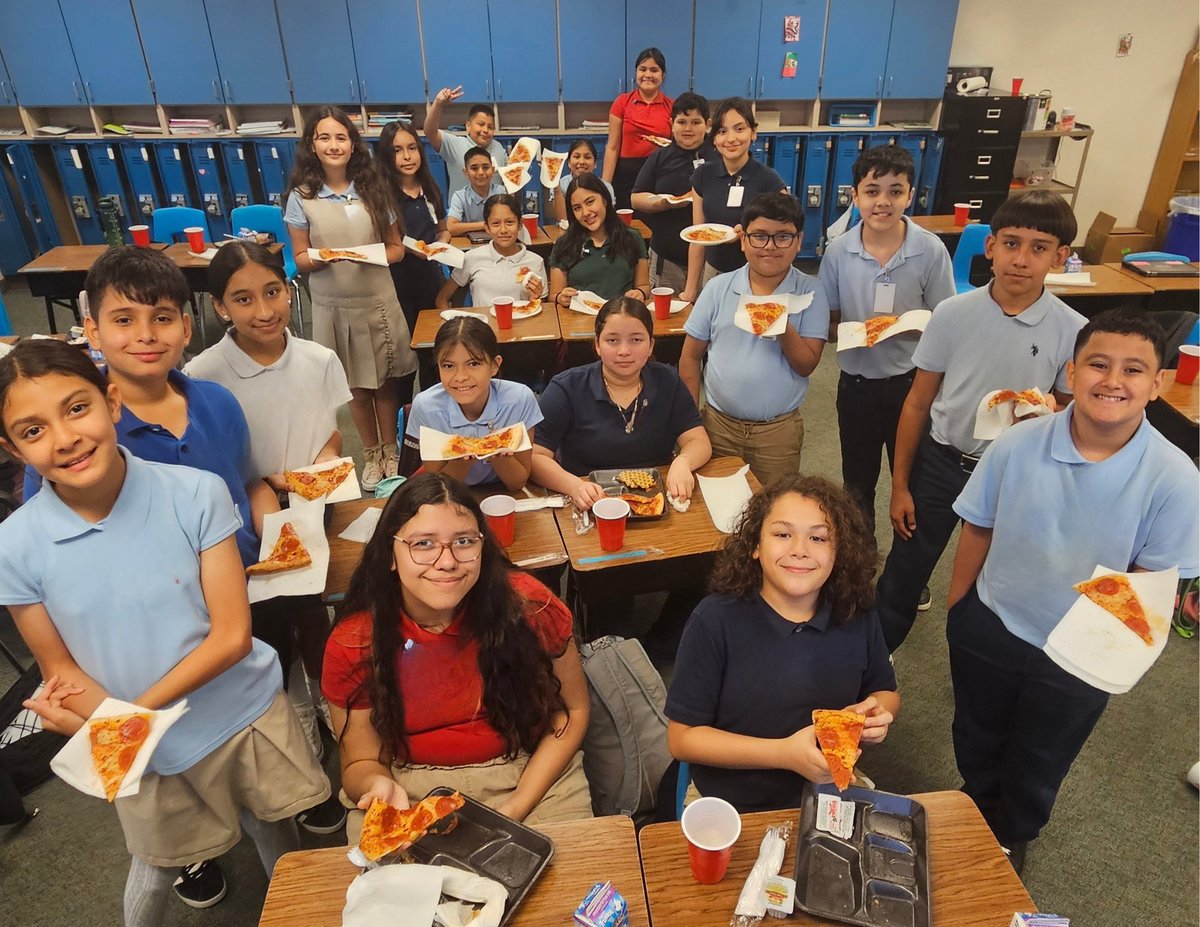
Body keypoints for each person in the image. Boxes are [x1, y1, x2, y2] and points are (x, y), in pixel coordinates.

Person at [37, 246, 343, 905]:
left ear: (186, 324)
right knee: (168, 778)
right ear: (91, 330)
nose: (145, 335)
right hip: (158, 635)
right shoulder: (87, 433)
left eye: (162, 317)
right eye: (123, 320)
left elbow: (247, 483)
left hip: (246, 593)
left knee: (257, 728)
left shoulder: (216, 403)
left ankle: (275, 816)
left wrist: (280, 538)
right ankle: (192, 853)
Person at [945, 310, 1198, 874]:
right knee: (976, 731)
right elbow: (979, 525)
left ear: (1158, 383)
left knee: (1041, 755)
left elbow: (1150, 585)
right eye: (1098, 364)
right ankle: (975, 804)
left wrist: (1105, 658)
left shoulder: (1175, 477)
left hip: (1083, 653)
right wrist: (960, 611)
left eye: (1134, 369)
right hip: (993, 619)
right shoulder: (1018, 442)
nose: (1113, 380)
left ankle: (1014, 835)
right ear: (1071, 371)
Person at [875, 190, 1086, 653]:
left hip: (1014, 474)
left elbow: (1069, 418)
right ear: (990, 247)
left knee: (995, 581)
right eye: (1011, 243)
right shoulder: (952, 314)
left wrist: (1050, 412)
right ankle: (873, 659)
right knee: (904, 573)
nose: (1021, 259)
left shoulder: (1073, 330)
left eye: (1039, 247)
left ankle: (980, 661)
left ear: (1060, 257)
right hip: (942, 462)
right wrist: (900, 485)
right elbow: (917, 403)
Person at [322, 473, 593, 833]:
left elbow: (572, 712)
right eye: (423, 544)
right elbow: (359, 762)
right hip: (409, 780)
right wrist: (378, 785)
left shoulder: (529, 607)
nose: (447, 561)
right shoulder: (355, 641)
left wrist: (515, 806)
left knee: (573, 863)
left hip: (531, 769)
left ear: (483, 546)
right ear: (390, 554)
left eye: (464, 541)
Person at [183, 240, 352, 759]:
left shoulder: (318, 359)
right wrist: (268, 489)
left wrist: (321, 465)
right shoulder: (202, 376)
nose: (263, 311)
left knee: (316, 608)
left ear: (289, 291)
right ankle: (291, 708)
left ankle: (327, 700)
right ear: (219, 307)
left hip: (313, 506)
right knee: (270, 624)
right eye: (243, 299)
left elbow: (330, 431)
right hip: (246, 520)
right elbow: (217, 463)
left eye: (273, 292)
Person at [665, 475, 899, 813]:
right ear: (755, 546)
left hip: (826, 788)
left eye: (818, 538)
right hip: (729, 801)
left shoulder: (856, 615)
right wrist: (784, 754)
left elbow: (885, 691)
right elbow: (682, 739)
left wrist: (875, 714)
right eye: (782, 534)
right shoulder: (714, 621)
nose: (799, 550)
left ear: (840, 552)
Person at [817, 144, 955, 533]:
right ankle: (862, 558)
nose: (883, 201)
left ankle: (907, 561)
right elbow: (828, 323)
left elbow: (947, 321)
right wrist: (850, 333)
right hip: (856, 384)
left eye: (895, 191)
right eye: (872, 191)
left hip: (911, 386)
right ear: (855, 196)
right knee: (857, 483)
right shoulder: (839, 252)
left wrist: (914, 325)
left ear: (910, 195)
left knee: (912, 480)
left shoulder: (929, 250)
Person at [285, 106, 416, 490]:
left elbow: (396, 249)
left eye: (341, 137)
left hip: (376, 300)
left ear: (353, 144)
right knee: (355, 387)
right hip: (333, 305)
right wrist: (323, 258)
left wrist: (369, 254)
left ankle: (391, 451)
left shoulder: (374, 190)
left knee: (384, 384)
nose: (333, 145)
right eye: (324, 137)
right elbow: (300, 257)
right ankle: (371, 454)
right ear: (312, 144)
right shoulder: (301, 197)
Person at [679, 192, 828, 487]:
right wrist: (690, 421)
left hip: (778, 432)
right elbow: (690, 357)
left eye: (783, 237)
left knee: (775, 503)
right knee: (715, 500)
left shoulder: (811, 292)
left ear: (799, 241)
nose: (770, 246)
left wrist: (780, 323)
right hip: (718, 425)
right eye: (759, 236)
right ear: (743, 240)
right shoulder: (718, 288)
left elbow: (806, 364)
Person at [532, 297, 710, 509]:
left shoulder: (668, 380)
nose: (624, 351)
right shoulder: (567, 387)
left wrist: (683, 462)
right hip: (587, 500)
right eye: (612, 340)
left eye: (636, 340)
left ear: (650, 345)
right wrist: (574, 486)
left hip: (656, 499)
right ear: (597, 345)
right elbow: (536, 457)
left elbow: (698, 441)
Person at [405, 317, 542, 490]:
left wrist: (498, 455)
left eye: (474, 363)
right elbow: (438, 486)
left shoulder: (520, 399)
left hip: (503, 493)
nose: (461, 377)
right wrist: (460, 460)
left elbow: (517, 483)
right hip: (451, 493)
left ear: (494, 365)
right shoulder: (425, 407)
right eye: (448, 366)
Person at [679, 98, 787, 304]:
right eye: (722, 131)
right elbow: (697, 237)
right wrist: (690, 291)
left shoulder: (769, 180)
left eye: (739, 129)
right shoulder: (702, 175)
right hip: (713, 273)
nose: (731, 138)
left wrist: (750, 233)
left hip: (755, 276)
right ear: (714, 138)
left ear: (753, 133)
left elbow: (787, 232)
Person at [376, 120, 450, 383]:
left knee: (432, 349)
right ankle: (404, 406)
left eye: (412, 148)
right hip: (397, 283)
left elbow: (443, 229)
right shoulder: (382, 195)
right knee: (403, 356)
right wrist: (412, 248)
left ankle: (432, 402)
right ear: (386, 155)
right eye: (397, 150)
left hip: (429, 279)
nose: (407, 157)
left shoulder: (429, 188)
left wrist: (440, 244)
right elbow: (384, 240)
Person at [630, 91, 715, 292]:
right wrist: (662, 203)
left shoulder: (719, 157)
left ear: (708, 124)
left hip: (711, 261)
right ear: (671, 123)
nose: (688, 128)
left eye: (696, 122)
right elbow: (636, 198)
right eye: (682, 122)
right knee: (665, 311)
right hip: (666, 259)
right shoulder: (660, 157)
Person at [548, 175, 649, 311]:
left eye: (590, 202)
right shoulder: (564, 244)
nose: (585, 213)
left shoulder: (632, 238)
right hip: (579, 318)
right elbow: (554, 295)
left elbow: (644, 286)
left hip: (622, 315)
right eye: (577, 208)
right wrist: (561, 297)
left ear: (605, 200)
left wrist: (640, 293)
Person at [436, 193, 547, 310]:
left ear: (520, 225)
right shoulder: (471, 258)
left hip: (523, 320)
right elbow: (441, 299)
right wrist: (452, 319)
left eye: (509, 222)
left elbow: (543, 307)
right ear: (487, 227)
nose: (503, 230)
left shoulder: (535, 262)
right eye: (496, 223)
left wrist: (536, 298)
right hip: (482, 321)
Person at [602, 47, 673, 210]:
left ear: (663, 75)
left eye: (654, 70)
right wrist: (605, 187)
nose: (647, 74)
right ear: (636, 73)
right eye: (643, 69)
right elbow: (612, 147)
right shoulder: (622, 102)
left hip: (659, 174)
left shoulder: (672, 106)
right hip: (626, 176)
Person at [423, 88, 507, 200]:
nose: (485, 130)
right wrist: (438, 104)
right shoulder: (455, 144)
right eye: (481, 124)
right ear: (468, 126)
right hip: (462, 211)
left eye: (490, 127)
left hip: (494, 210)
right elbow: (430, 132)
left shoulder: (498, 148)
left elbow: (510, 179)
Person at [549, 139, 615, 224]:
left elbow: (609, 219)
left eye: (587, 157)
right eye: (576, 157)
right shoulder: (560, 185)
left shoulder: (606, 187)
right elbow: (562, 221)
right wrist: (556, 188)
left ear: (595, 163)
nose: (581, 162)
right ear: (569, 162)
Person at [446, 146, 504, 236]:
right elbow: (451, 227)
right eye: (474, 168)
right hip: (469, 243)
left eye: (485, 167)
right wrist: (486, 224)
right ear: (466, 172)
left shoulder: (501, 192)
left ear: (492, 170)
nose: (481, 173)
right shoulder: (460, 196)